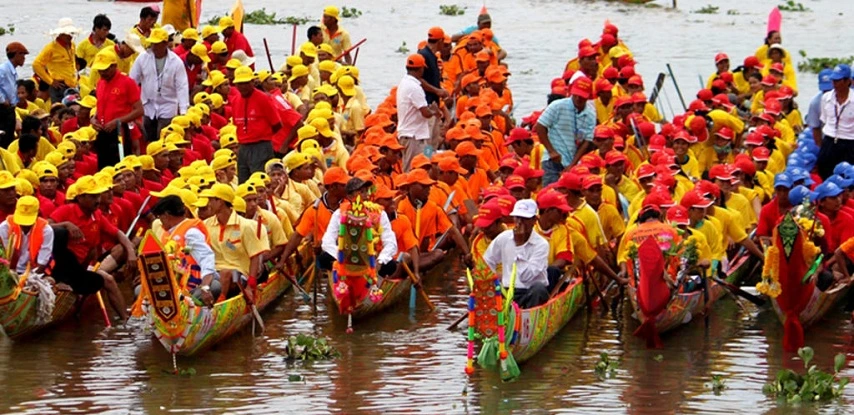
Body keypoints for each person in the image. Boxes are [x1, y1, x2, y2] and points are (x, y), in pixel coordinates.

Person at [49, 175, 136, 320]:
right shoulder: (66, 210)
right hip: (60, 266)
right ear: (81, 197)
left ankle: (125, 319)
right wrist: (65, 224)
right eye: (92, 196)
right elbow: (44, 227)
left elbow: (118, 233)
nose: (97, 199)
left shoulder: (96, 215)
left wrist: (131, 252)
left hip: (80, 268)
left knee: (108, 280)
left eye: (97, 195)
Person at [199, 183, 269, 302]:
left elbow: (255, 257)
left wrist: (250, 286)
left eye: (211, 200)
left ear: (220, 202)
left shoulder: (245, 226)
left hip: (239, 275)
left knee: (226, 273)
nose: (208, 204)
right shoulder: (206, 225)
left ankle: (220, 302)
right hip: (215, 273)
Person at [150, 195, 220, 306]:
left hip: (193, 284)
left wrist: (205, 286)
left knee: (214, 287)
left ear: (166, 215)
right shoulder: (169, 234)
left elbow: (206, 259)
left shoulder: (191, 233)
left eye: (160, 217)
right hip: (173, 285)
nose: (160, 222)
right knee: (139, 290)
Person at [482, 199, 551, 309]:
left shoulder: (542, 244)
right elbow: (486, 262)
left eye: (525, 219)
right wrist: (494, 282)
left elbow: (526, 277)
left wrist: (520, 245)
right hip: (507, 291)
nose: (519, 223)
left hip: (530, 291)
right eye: (517, 218)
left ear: (534, 220)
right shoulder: (504, 238)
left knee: (539, 289)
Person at [129, 28, 190, 145]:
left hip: (168, 105)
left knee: (163, 138)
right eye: (153, 43)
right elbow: (132, 81)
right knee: (147, 138)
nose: (154, 47)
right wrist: (130, 104)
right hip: (148, 103)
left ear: (165, 44)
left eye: (157, 44)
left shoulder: (176, 62)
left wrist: (183, 111)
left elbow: (182, 87)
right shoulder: (142, 58)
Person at [535, 77, 596, 185]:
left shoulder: (591, 114)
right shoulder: (557, 106)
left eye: (582, 96)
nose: (578, 98)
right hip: (552, 161)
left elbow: (586, 141)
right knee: (551, 195)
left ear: (588, 96)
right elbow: (539, 126)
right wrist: (551, 151)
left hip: (573, 162)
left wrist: (572, 164)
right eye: (576, 94)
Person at [91, 49, 143, 168]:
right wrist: (94, 119)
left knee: (121, 166)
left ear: (114, 66)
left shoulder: (127, 82)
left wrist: (117, 121)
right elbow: (101, 106)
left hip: (121, 131)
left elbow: (139, 110)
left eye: (105, 69)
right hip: (103, 131)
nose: (102, 73)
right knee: (103, 167)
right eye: (100, 70)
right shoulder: (100, 83)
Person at [231, 66, 283, 183]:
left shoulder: (264, 99)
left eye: (246, 83)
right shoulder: (235, 100)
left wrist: (262, 135)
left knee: (260, 181)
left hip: (261, 146)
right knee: (243, 182)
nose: (243, 86)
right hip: (243, 147)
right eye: (240, 83)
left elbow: (277, 124)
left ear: (253, 82)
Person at [397, 54, 437, 171]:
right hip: (413, 137)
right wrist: (433, 110)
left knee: (424, 164)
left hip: (416, 135)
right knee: (411, 170)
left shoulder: (404, 83)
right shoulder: (414, 87)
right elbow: (425, 113)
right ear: (420, 69)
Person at [814, 64, 854, 179]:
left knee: (848, 177)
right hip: (830, 142)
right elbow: (824, 121)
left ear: (848, 81)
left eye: (838, 80)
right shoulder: (826, 98)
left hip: (849, 143)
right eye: (833, 80)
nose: (834, 84)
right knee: (825, 172)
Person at [0, 196, 53, 276]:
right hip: (9, 270)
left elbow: (43, 260)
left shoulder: (46, 230)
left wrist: (29, 278)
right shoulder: (5, 227)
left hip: (35, 271)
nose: (24, 224)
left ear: (38, 213)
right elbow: (4, 256)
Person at [32, 18, 80, 104]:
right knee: (59, 110)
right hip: (59, 85)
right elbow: (36, 64)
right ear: (60, 34)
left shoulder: (72, 45)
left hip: (72, 83)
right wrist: (51, 81)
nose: (70, 36)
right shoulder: (51, 48)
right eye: (67, 34)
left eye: (71, 33)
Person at [0, 42, 27, 146]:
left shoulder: (11, 70)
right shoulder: (3, 69)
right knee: (3, 138)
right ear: (16, 54)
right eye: (22, 55)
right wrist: (2, 99)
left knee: (8, 138)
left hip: (9, 110)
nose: (24, 58)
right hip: (2, 109)